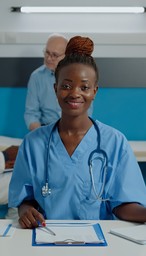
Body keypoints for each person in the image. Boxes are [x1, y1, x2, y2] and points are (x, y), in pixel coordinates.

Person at [9, 35, 146, 229]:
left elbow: (122, 205)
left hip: (99, 242)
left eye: (84, 87)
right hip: (46, 237)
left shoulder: (114, 142)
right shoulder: (33, 143)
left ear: (95, 91)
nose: (74, 93)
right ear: (56, 89)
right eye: (66, 86)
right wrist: (25, 211)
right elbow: (26, 199)